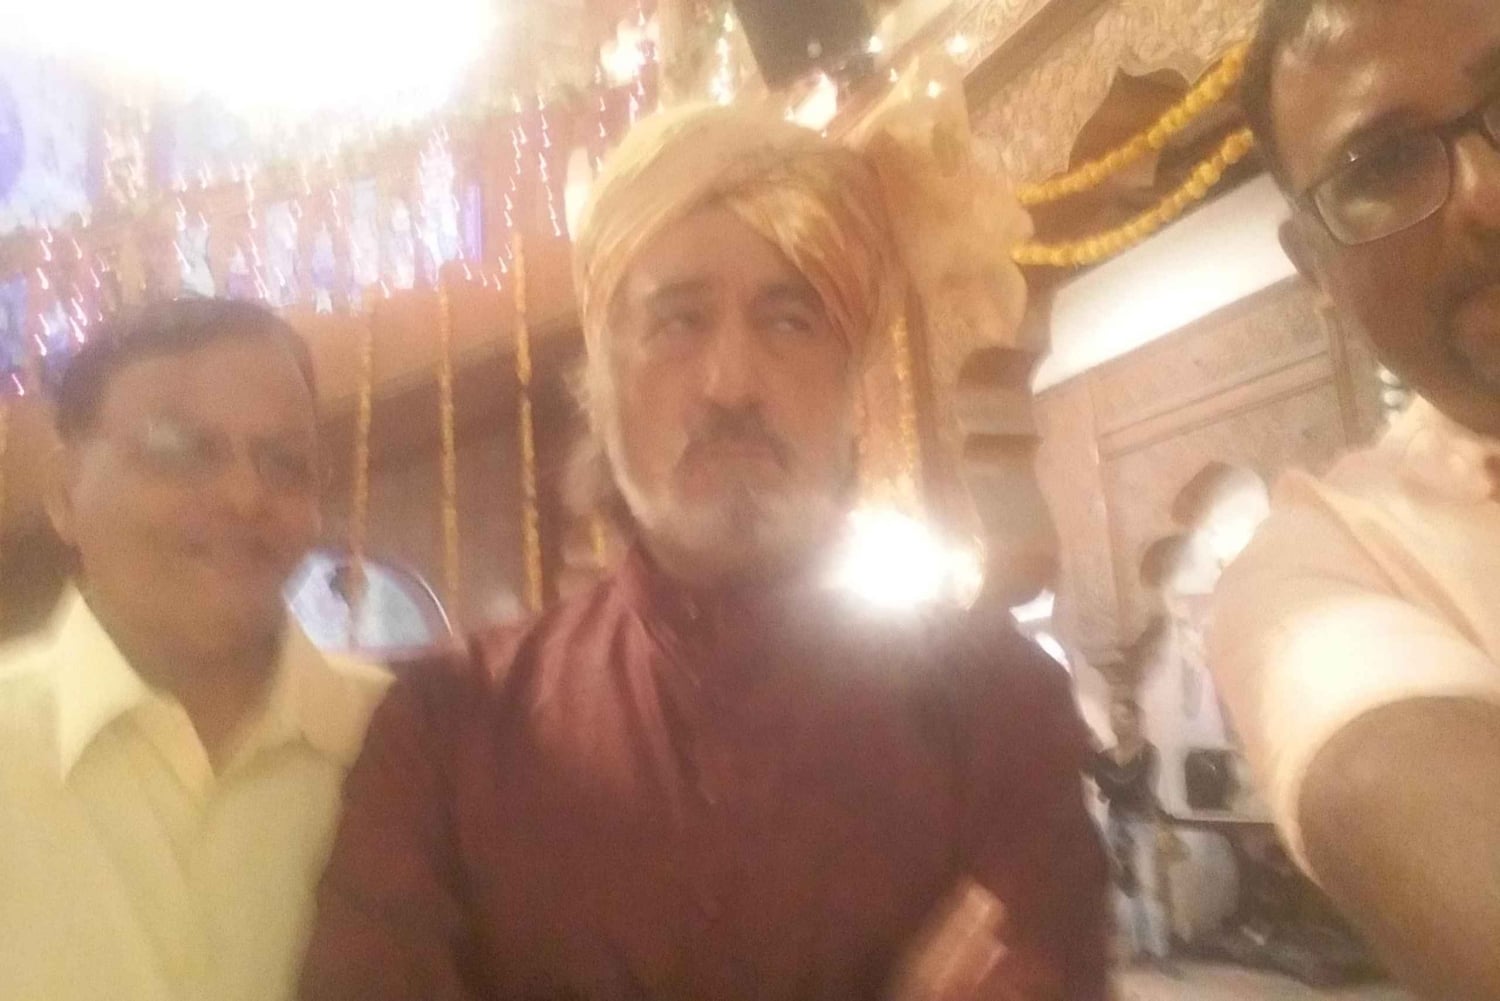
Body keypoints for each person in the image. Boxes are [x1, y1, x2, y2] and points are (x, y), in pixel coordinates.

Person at [297, 98, 1109, 1001]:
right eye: (678, 322)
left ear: (853, 383)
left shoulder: (999, 709)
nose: (731, 382)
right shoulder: (446, 726)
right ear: (603, 384)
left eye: (790, 320)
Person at [1209, 0, 1500, 997]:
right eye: (1384, 166)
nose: (1486, 196)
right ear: (1317, 268)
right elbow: (1383, 770)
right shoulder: (1324, 569)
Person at [0, 298, 391, 1001]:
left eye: (285, 462)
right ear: (64, 492)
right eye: (179, 451)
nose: (244, 495)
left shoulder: (406, 744)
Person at [1088, 697, 1174, 971]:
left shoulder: (1147, 754)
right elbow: (1105, 783)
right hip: (1116, 822)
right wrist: (1106, 779)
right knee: (1124, 887)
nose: (1116, 722)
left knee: (1148, 886)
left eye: (1123, 716)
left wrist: (1107, 782)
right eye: (1113, 716)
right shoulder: (1106, 756)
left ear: (1136, 719)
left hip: (1141, 823)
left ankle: (1158, 952)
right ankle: (1137, 949)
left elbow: (1131, 786)